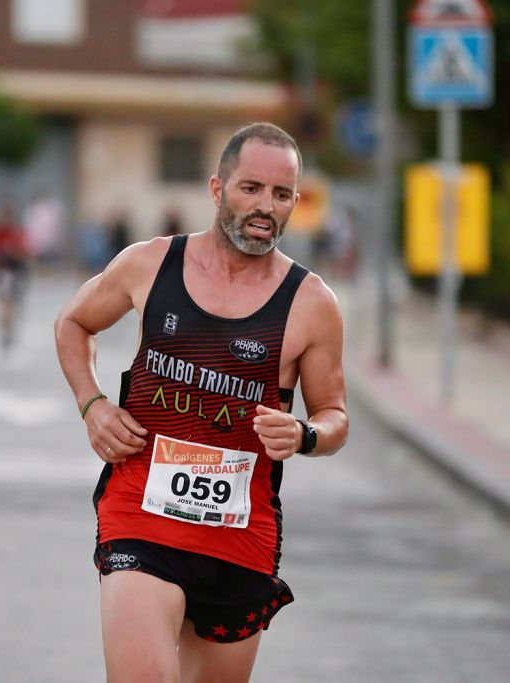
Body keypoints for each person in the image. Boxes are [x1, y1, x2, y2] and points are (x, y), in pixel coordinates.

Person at [54, 122, 348, 682]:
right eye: (251, 188)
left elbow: (335, 414)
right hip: (140, 515)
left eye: (281, 194)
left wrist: (306, 435)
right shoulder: (150, 264)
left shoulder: (312, 304)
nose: (266, 206)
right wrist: (92, 404)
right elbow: (73, 321)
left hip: (239, 535)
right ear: (218, 190)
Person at [0, 205, 32, 349]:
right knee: (3, 302)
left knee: (11, 303)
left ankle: (8, 329)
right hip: (1, 272)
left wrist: (14, 253)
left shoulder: (17, 232)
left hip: (14, 272)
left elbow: (24, 253)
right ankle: (6, 331)